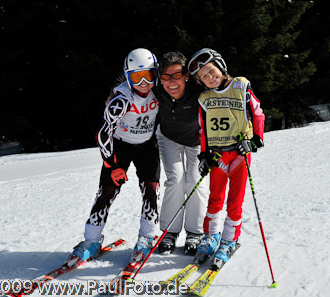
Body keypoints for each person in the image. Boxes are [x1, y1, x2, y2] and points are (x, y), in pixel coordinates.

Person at [67, 48, 161, 265]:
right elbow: (103, 132)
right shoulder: (121, 99)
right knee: (107, 191)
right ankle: (91, 241)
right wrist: (112, 165)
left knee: (151, 189)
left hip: (147, 145)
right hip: (121, 146)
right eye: (137, 77)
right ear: (128, 76)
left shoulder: (160, 91)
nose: (144, 82)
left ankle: (146, 237)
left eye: (149, 75)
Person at [187, 48, 265, 263]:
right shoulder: (204, 98)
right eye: (204, 76)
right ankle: (211, 236)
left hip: (239, 154)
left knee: (235, 200)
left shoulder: (240, 85)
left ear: (221, 67)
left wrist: (255, 140)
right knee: (215, 197)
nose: (210, 77)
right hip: (218, 156)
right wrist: (204, 154)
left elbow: (257, 113)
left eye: (211, 71)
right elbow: (203, 129)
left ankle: (230, 239)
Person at [153, 52, 208, 255]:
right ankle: (170, 231)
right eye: (166, 77)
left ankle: (195, 232)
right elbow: (129, 76)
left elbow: (221, 86)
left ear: (186, 75)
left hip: (196, 141)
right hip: (169, 139)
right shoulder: (158, 90)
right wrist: (114, 92)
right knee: (175, 180)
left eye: (176, 75)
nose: (171, 82)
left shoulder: (198, 91)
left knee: (194, 181)